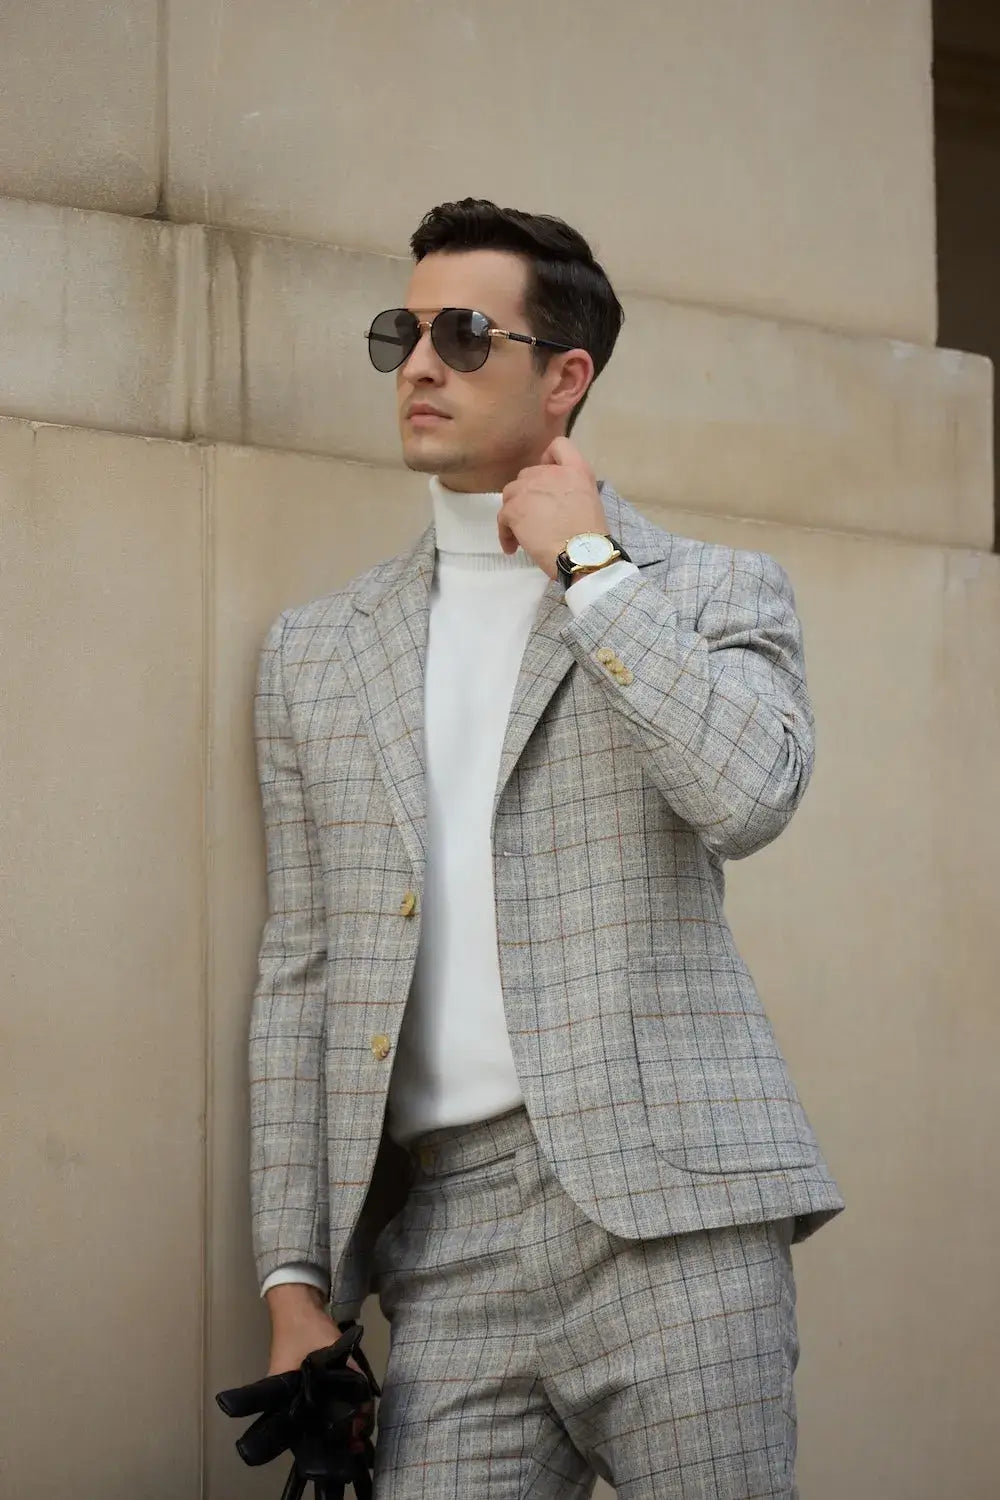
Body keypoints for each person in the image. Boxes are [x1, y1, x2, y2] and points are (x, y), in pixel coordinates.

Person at [248, 197, 844, 1499]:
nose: (419, 363)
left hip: (676, 1222)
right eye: (400, 332)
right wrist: (295, 1277)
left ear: (564, 376)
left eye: (464, 334)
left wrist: (588, 562)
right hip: (446, 1248)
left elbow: (750, 794)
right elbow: (305, 971)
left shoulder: (703, 589)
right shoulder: (318, 653)